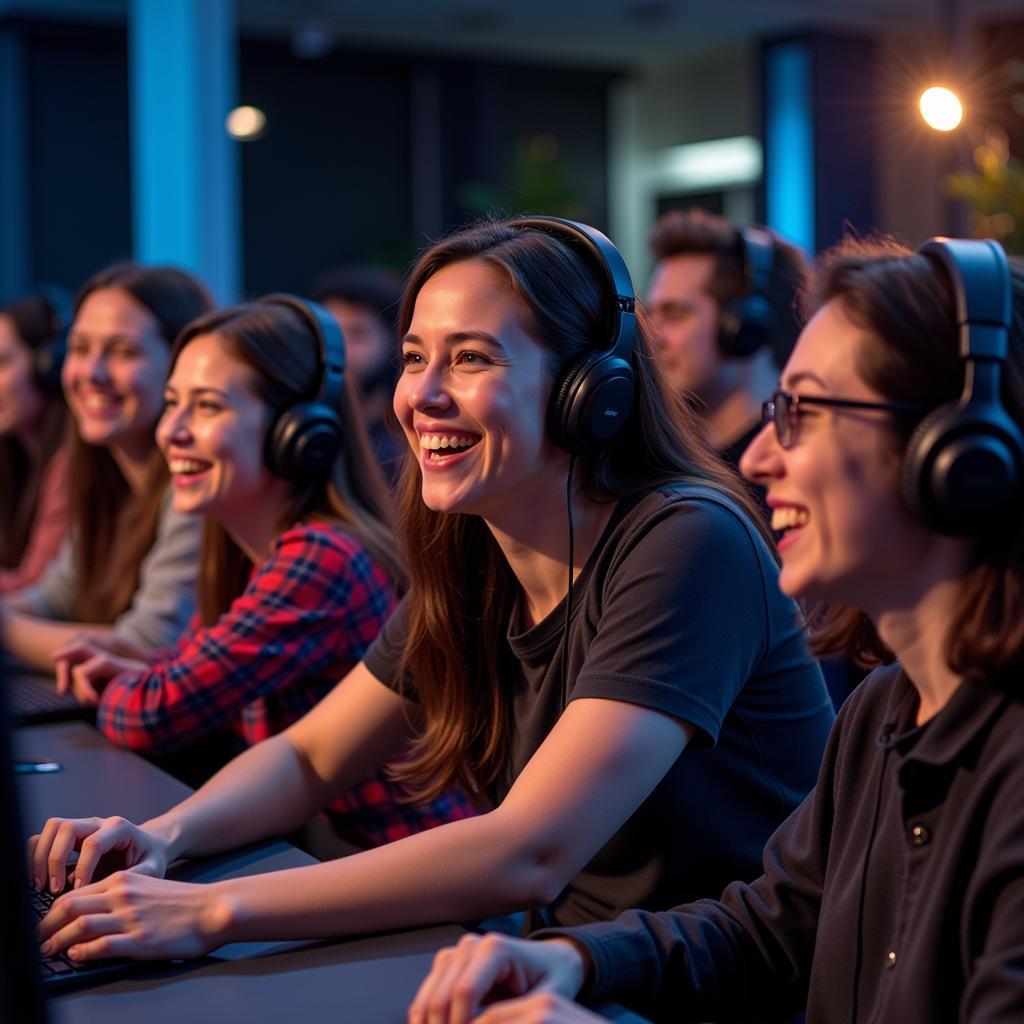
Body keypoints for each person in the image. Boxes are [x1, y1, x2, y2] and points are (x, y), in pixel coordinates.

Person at [30, 217, 832, 965]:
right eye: (416, 357)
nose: (422, 396)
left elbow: (528, 852)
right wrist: (165, 837)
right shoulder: (480, 554)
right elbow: (312, 756)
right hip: (564, 977)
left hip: (700, 989)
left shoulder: (689, 541)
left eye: (473, 358)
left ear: (588, 391)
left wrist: (208, 913)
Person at [408, 235, 1024, 1024]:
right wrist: (573, 960)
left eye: (804, 413)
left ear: (962, 457)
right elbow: (769, 928)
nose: (762, 457)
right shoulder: (882, 712)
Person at [53, 296, 473, 842]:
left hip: (413, 888)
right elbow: (186, 671)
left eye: (206, 407)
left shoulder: (320, 559)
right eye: (172, 403)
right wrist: (138, 667)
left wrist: (127, 682)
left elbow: (150, 715)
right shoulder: (257, 555)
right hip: (335, 860)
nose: (170, 432)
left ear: (297, 434)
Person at [1, 263, 213, 670]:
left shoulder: (200, 477)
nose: (91, 374)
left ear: (183, 368)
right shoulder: (98, 470)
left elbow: (150, 645)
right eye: (79, 349)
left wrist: (5, 628)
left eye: (124, 352)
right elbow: (58, 598)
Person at [646, 208, 806, 469]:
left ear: (743, 327)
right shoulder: (670, 465)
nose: (652, 336)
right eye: (650, 314)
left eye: (674, 314)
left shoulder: (794, 468)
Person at [0, 294, 69, 592]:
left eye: (1, 362)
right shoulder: (12, 455)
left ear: (48, 366)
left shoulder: (73, 461)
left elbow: (36, 586)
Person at [308, 264, 404, 477]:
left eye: (356, 335)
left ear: (394, 343)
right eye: (329, 334)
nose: (339, 348)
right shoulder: (304, 441)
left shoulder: (411, 447)